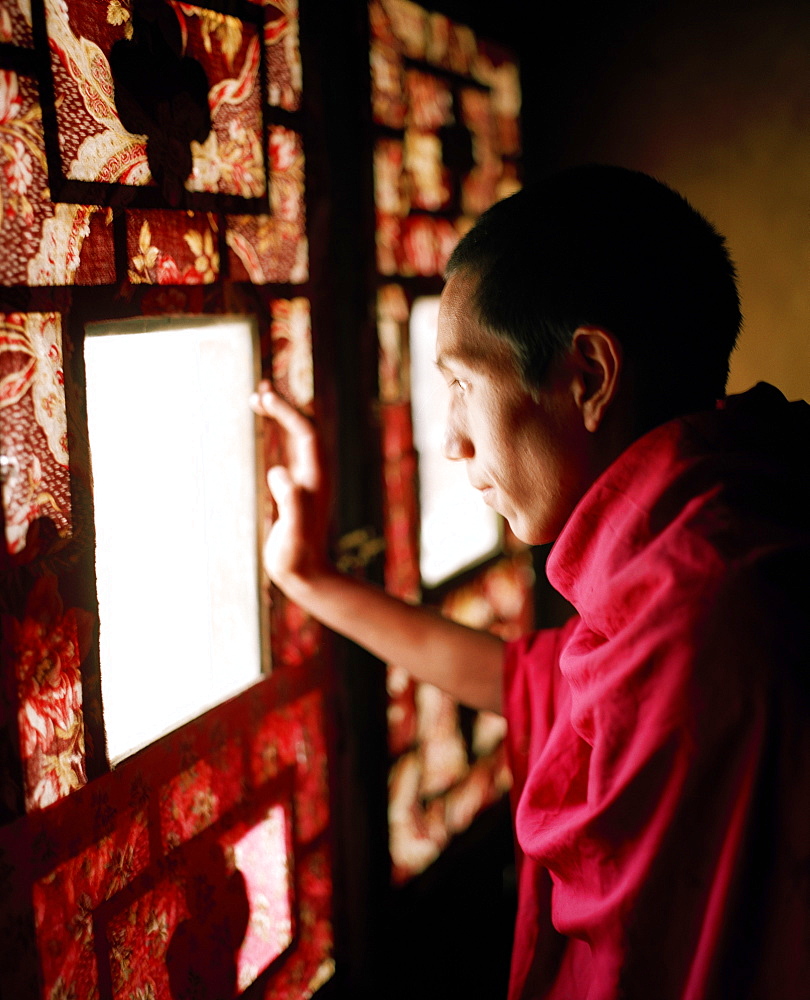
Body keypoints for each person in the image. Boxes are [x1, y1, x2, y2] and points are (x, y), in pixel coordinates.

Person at [250, 164, 810, 999]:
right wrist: (311, 578)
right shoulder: (699, 538)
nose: (451, 442)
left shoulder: (705, 620)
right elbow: (523, 684)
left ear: (587, 375)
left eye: (462, 386)